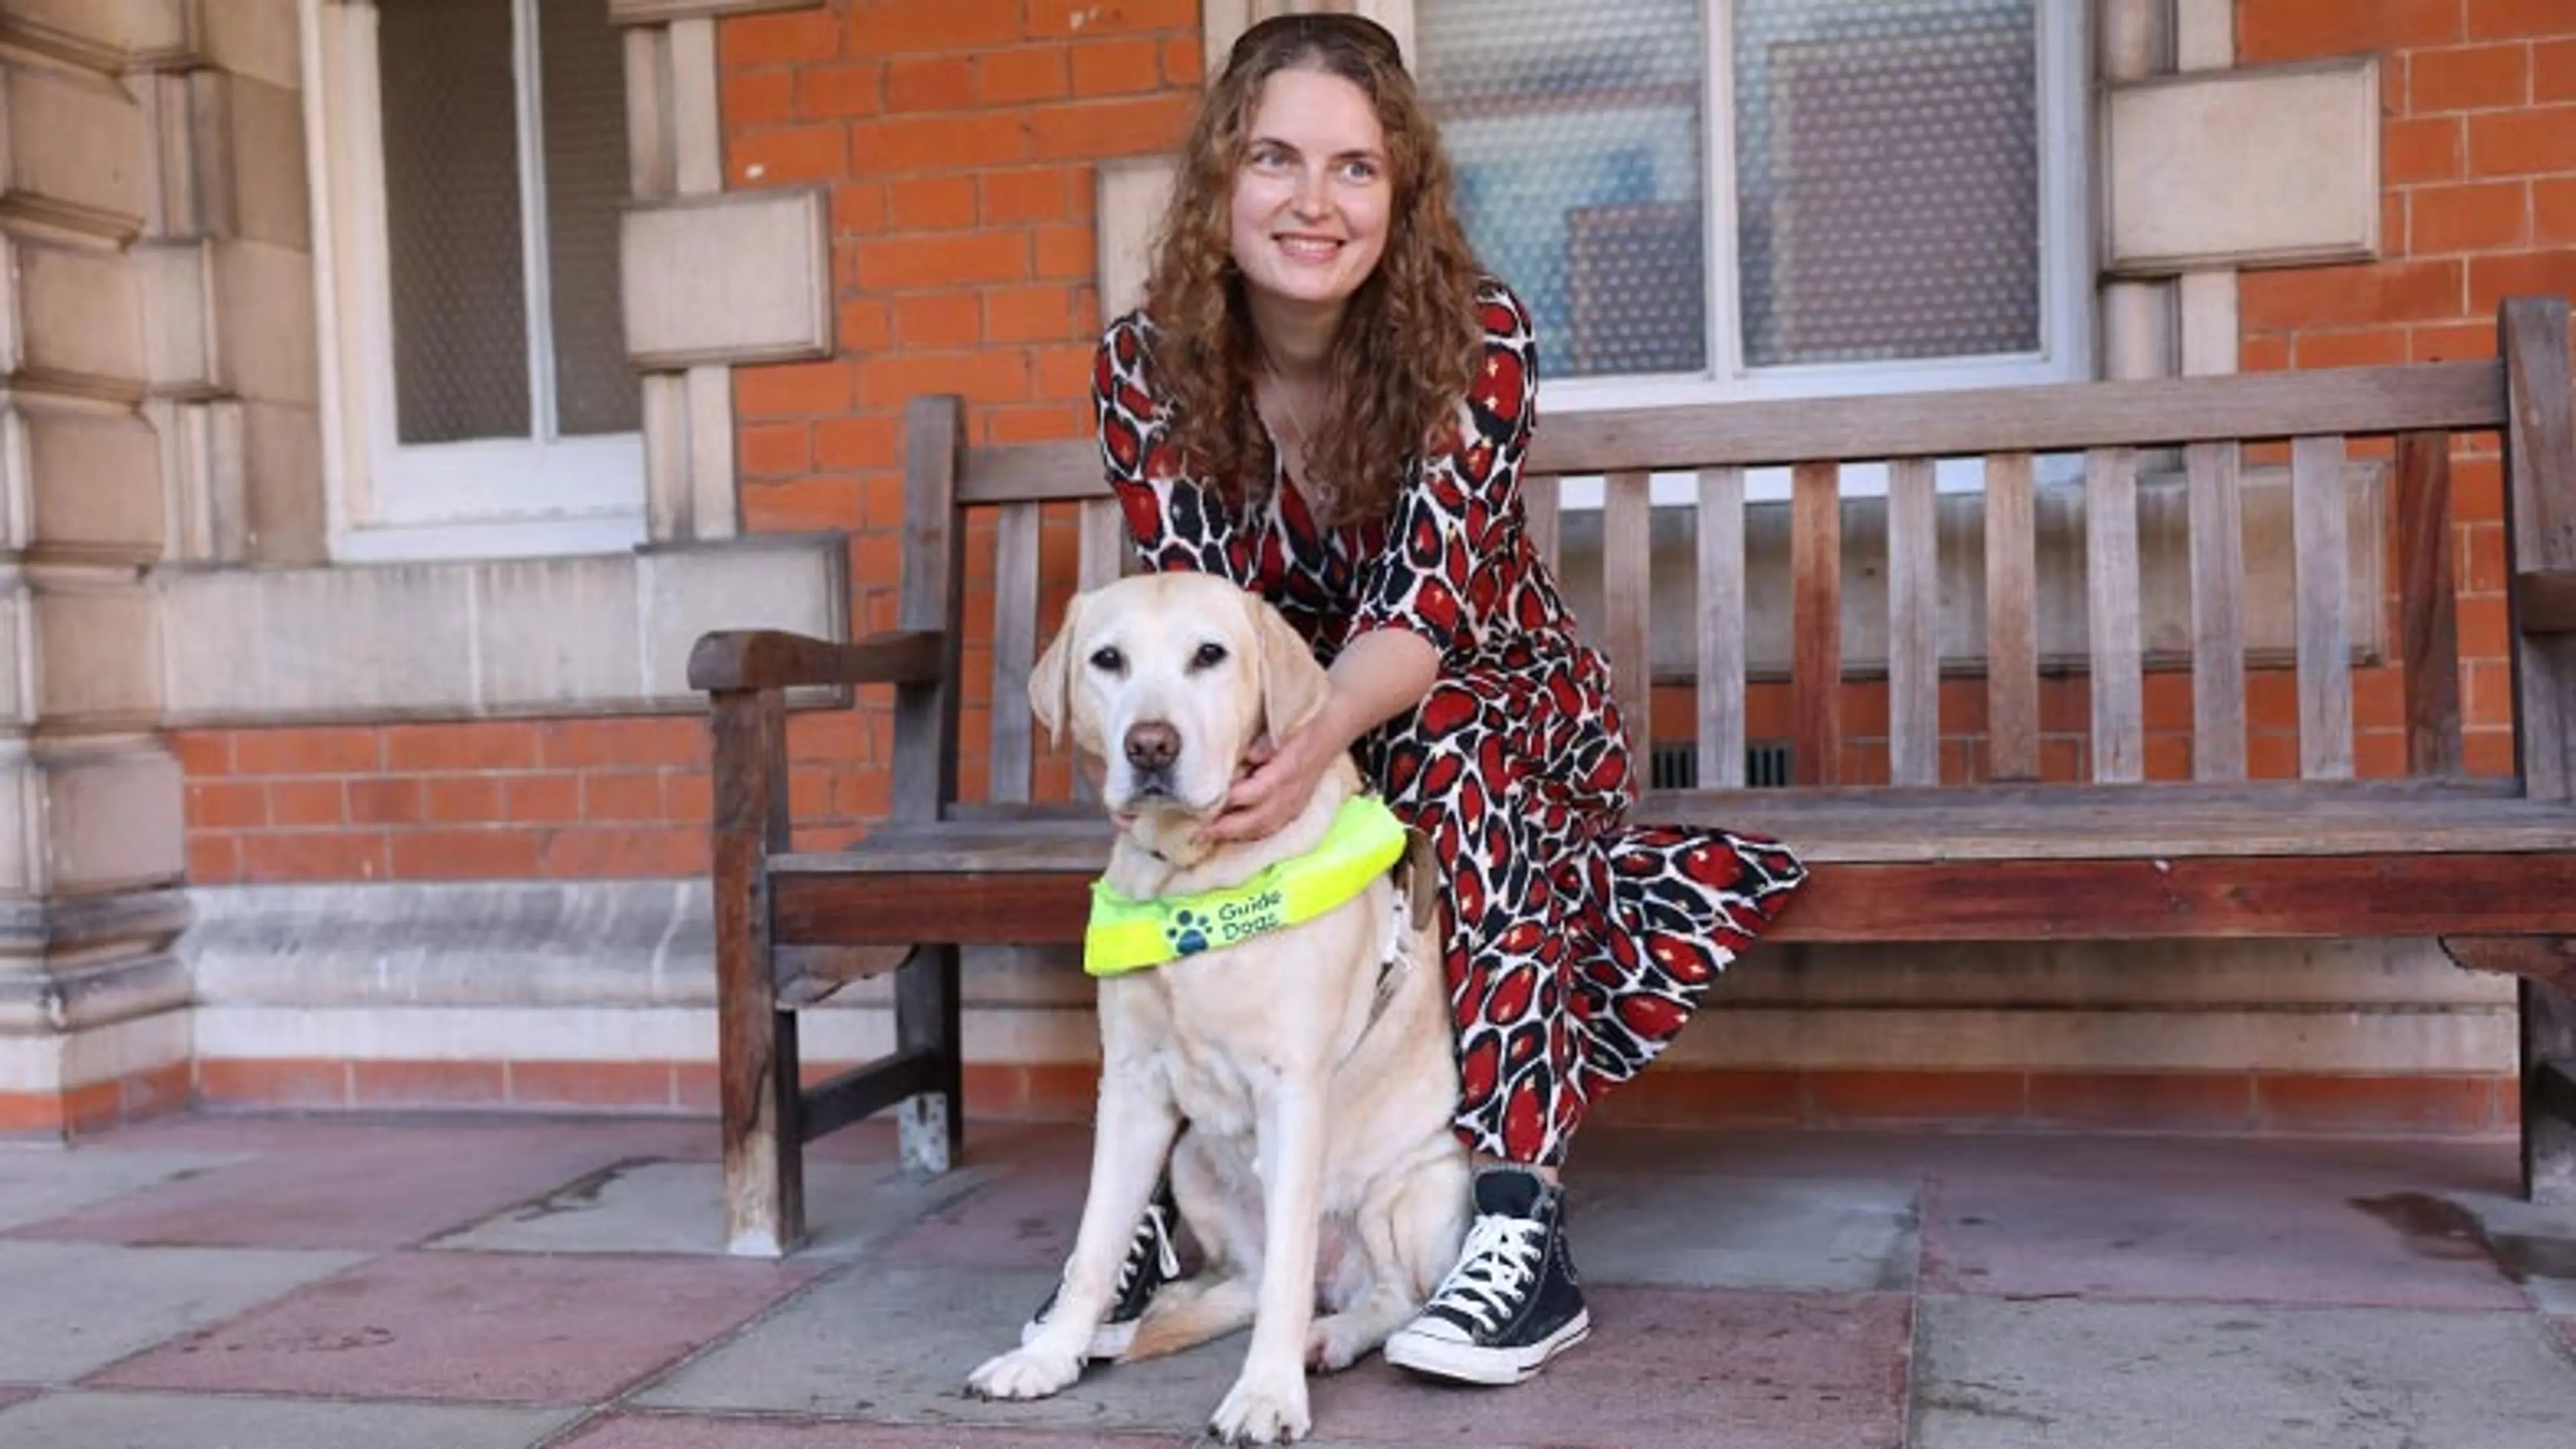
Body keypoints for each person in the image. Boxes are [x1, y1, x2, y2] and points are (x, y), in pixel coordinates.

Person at [1033, 11, 1809, 1386]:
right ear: (1222, 178)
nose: (1314, 202)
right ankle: (1171, 1206)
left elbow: (1425, 616)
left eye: (1355, 167)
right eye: (1276, 159)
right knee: (1172, 825)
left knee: (1446, 749)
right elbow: (1206, 621)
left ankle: (1519, 1227)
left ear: (1403, 193)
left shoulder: (1475, 339)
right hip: (1275, 716)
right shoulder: (1144, 367)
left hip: (1489, 707)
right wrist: (1244, 757)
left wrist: (1321, 735)